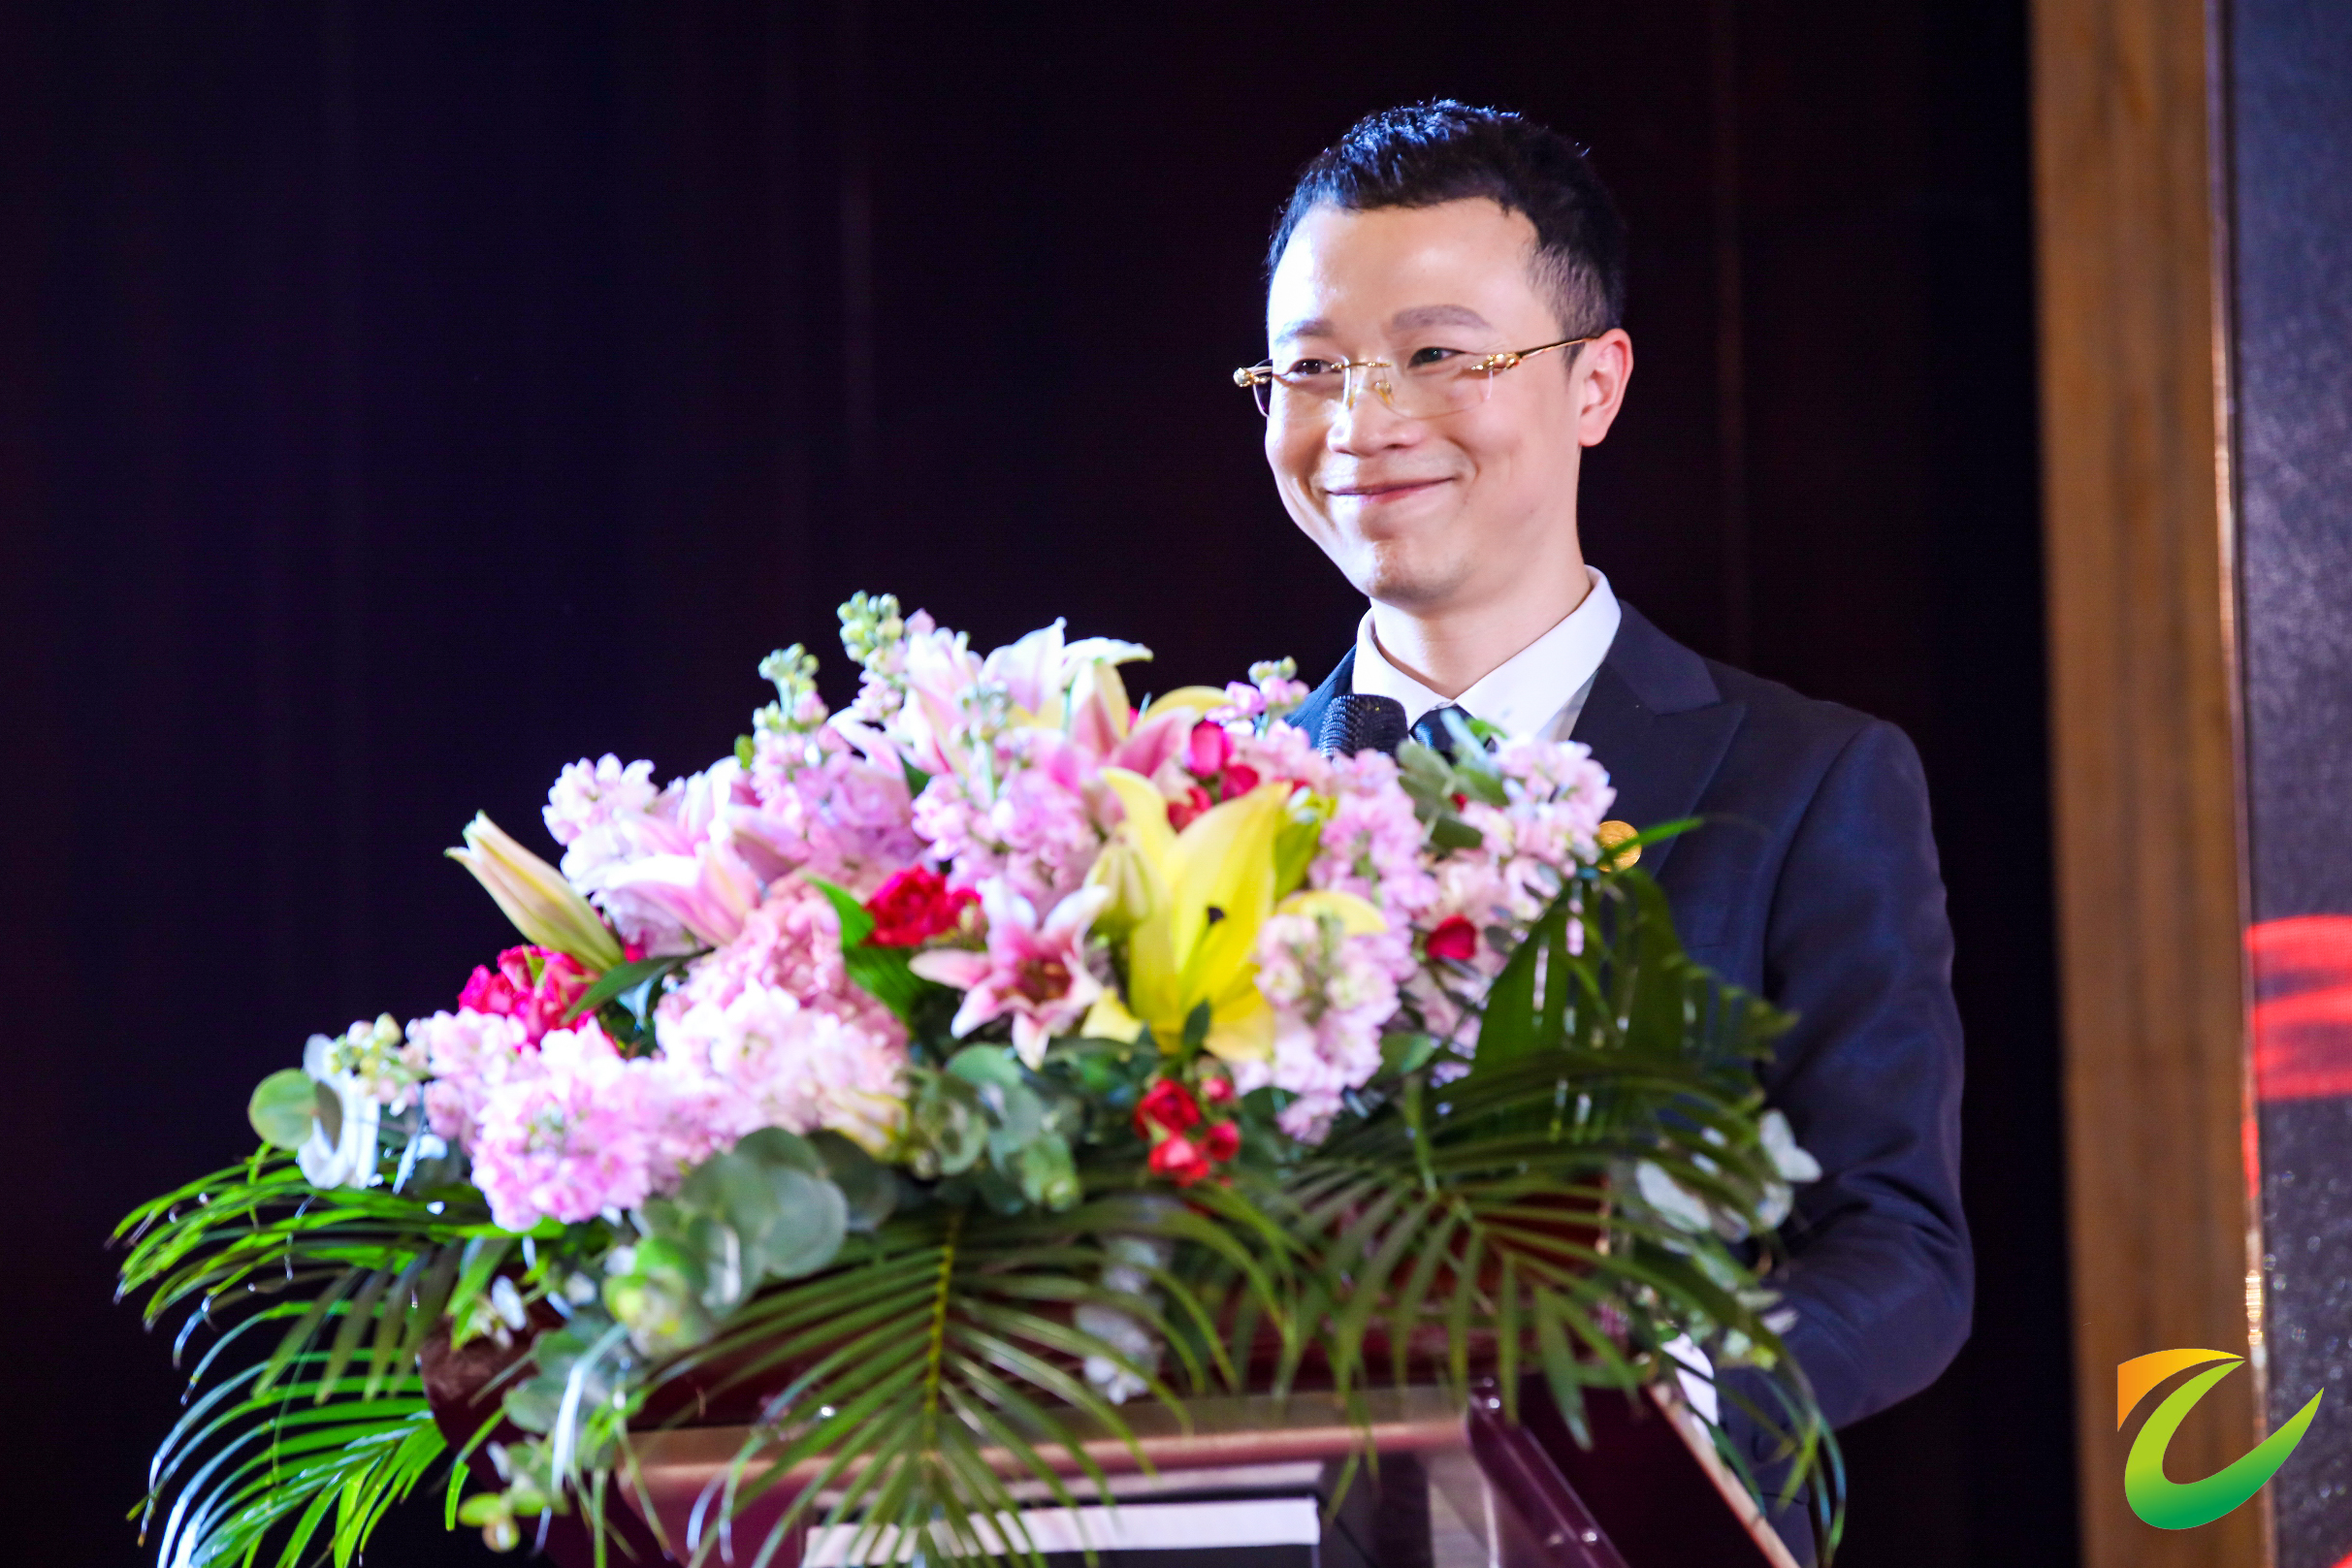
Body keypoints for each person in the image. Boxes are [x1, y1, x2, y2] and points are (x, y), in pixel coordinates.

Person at [1254, 102, 1971, 1564]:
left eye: (1439, 355)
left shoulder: (1803, 779)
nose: (1364, 421)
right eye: (1313, 368)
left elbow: (1901, 1251)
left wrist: (1650, 1403)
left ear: (1595, 383)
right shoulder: (1200, 807)